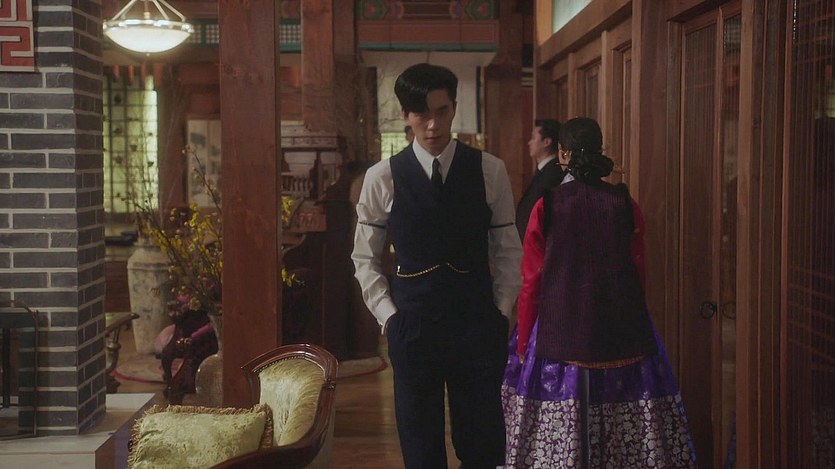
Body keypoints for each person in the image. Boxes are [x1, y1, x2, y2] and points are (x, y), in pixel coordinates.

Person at [352, 62, 522, 469]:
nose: (433, 125)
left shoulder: (489, 170)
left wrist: (501, 311)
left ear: (454, 108)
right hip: (412, 325)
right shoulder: (382, 177)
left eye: (442, 111)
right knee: (420, 446)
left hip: (476, 322)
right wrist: (389, 317)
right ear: (405, 115)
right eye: (422, 114)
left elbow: (508, 249)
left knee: (482, 445)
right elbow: (365, 258)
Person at [502, 117, 697, 468]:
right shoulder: (624, 202)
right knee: (630, 437)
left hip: (560, 334)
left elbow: (532, 280)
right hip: (622, 332)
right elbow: (638, 272)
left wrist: (524, 340)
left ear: (563, 154)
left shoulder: (548, 205)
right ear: (600, 150)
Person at [515, 118, 565, 241]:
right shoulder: (544, 171)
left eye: (533, 138)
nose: (529, 143)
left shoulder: (553, 174)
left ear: (546, 142)